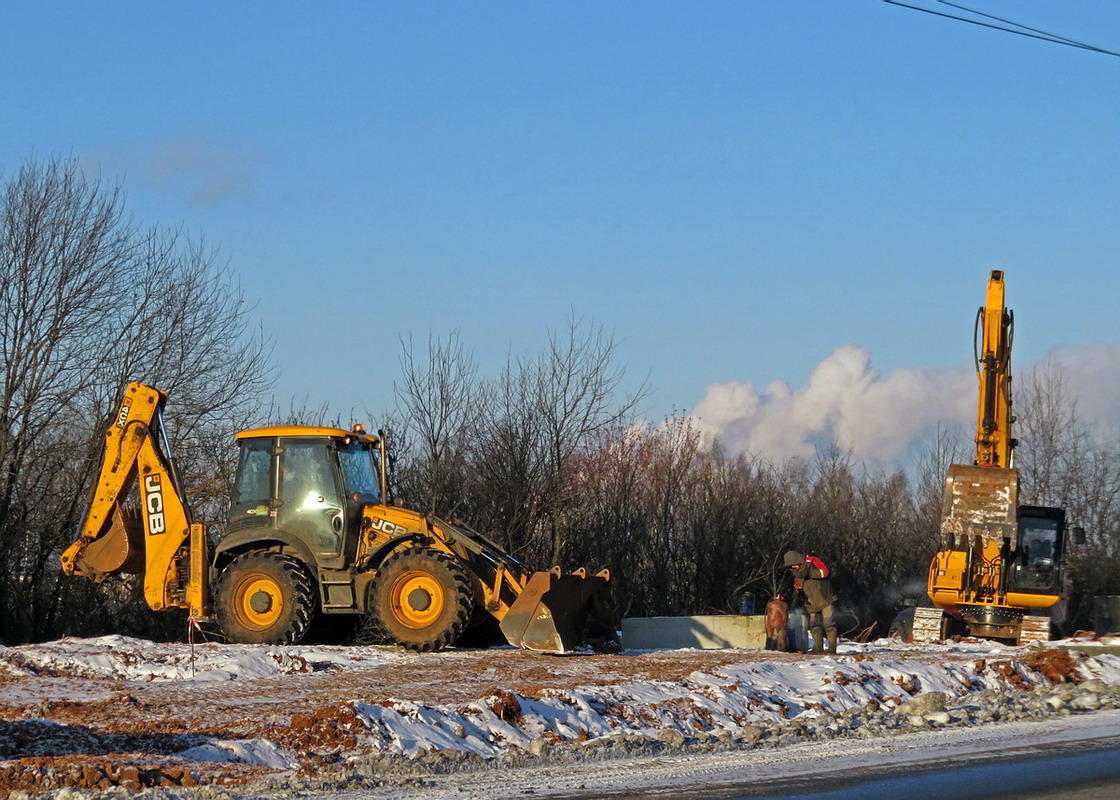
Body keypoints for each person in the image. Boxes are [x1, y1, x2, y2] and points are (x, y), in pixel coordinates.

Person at [782, 550, 837, 655]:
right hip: (811, 602)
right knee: (814, 625)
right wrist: (798, 591)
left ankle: (832, 649)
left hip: (825, 599)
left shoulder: (812, 561)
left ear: (798, 562)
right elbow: (797, 584)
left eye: (793, 565)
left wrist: (810, 573)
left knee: (829, 624)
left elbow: (825, 572)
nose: (793, 568)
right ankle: (818, 648)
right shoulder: (796, 573)